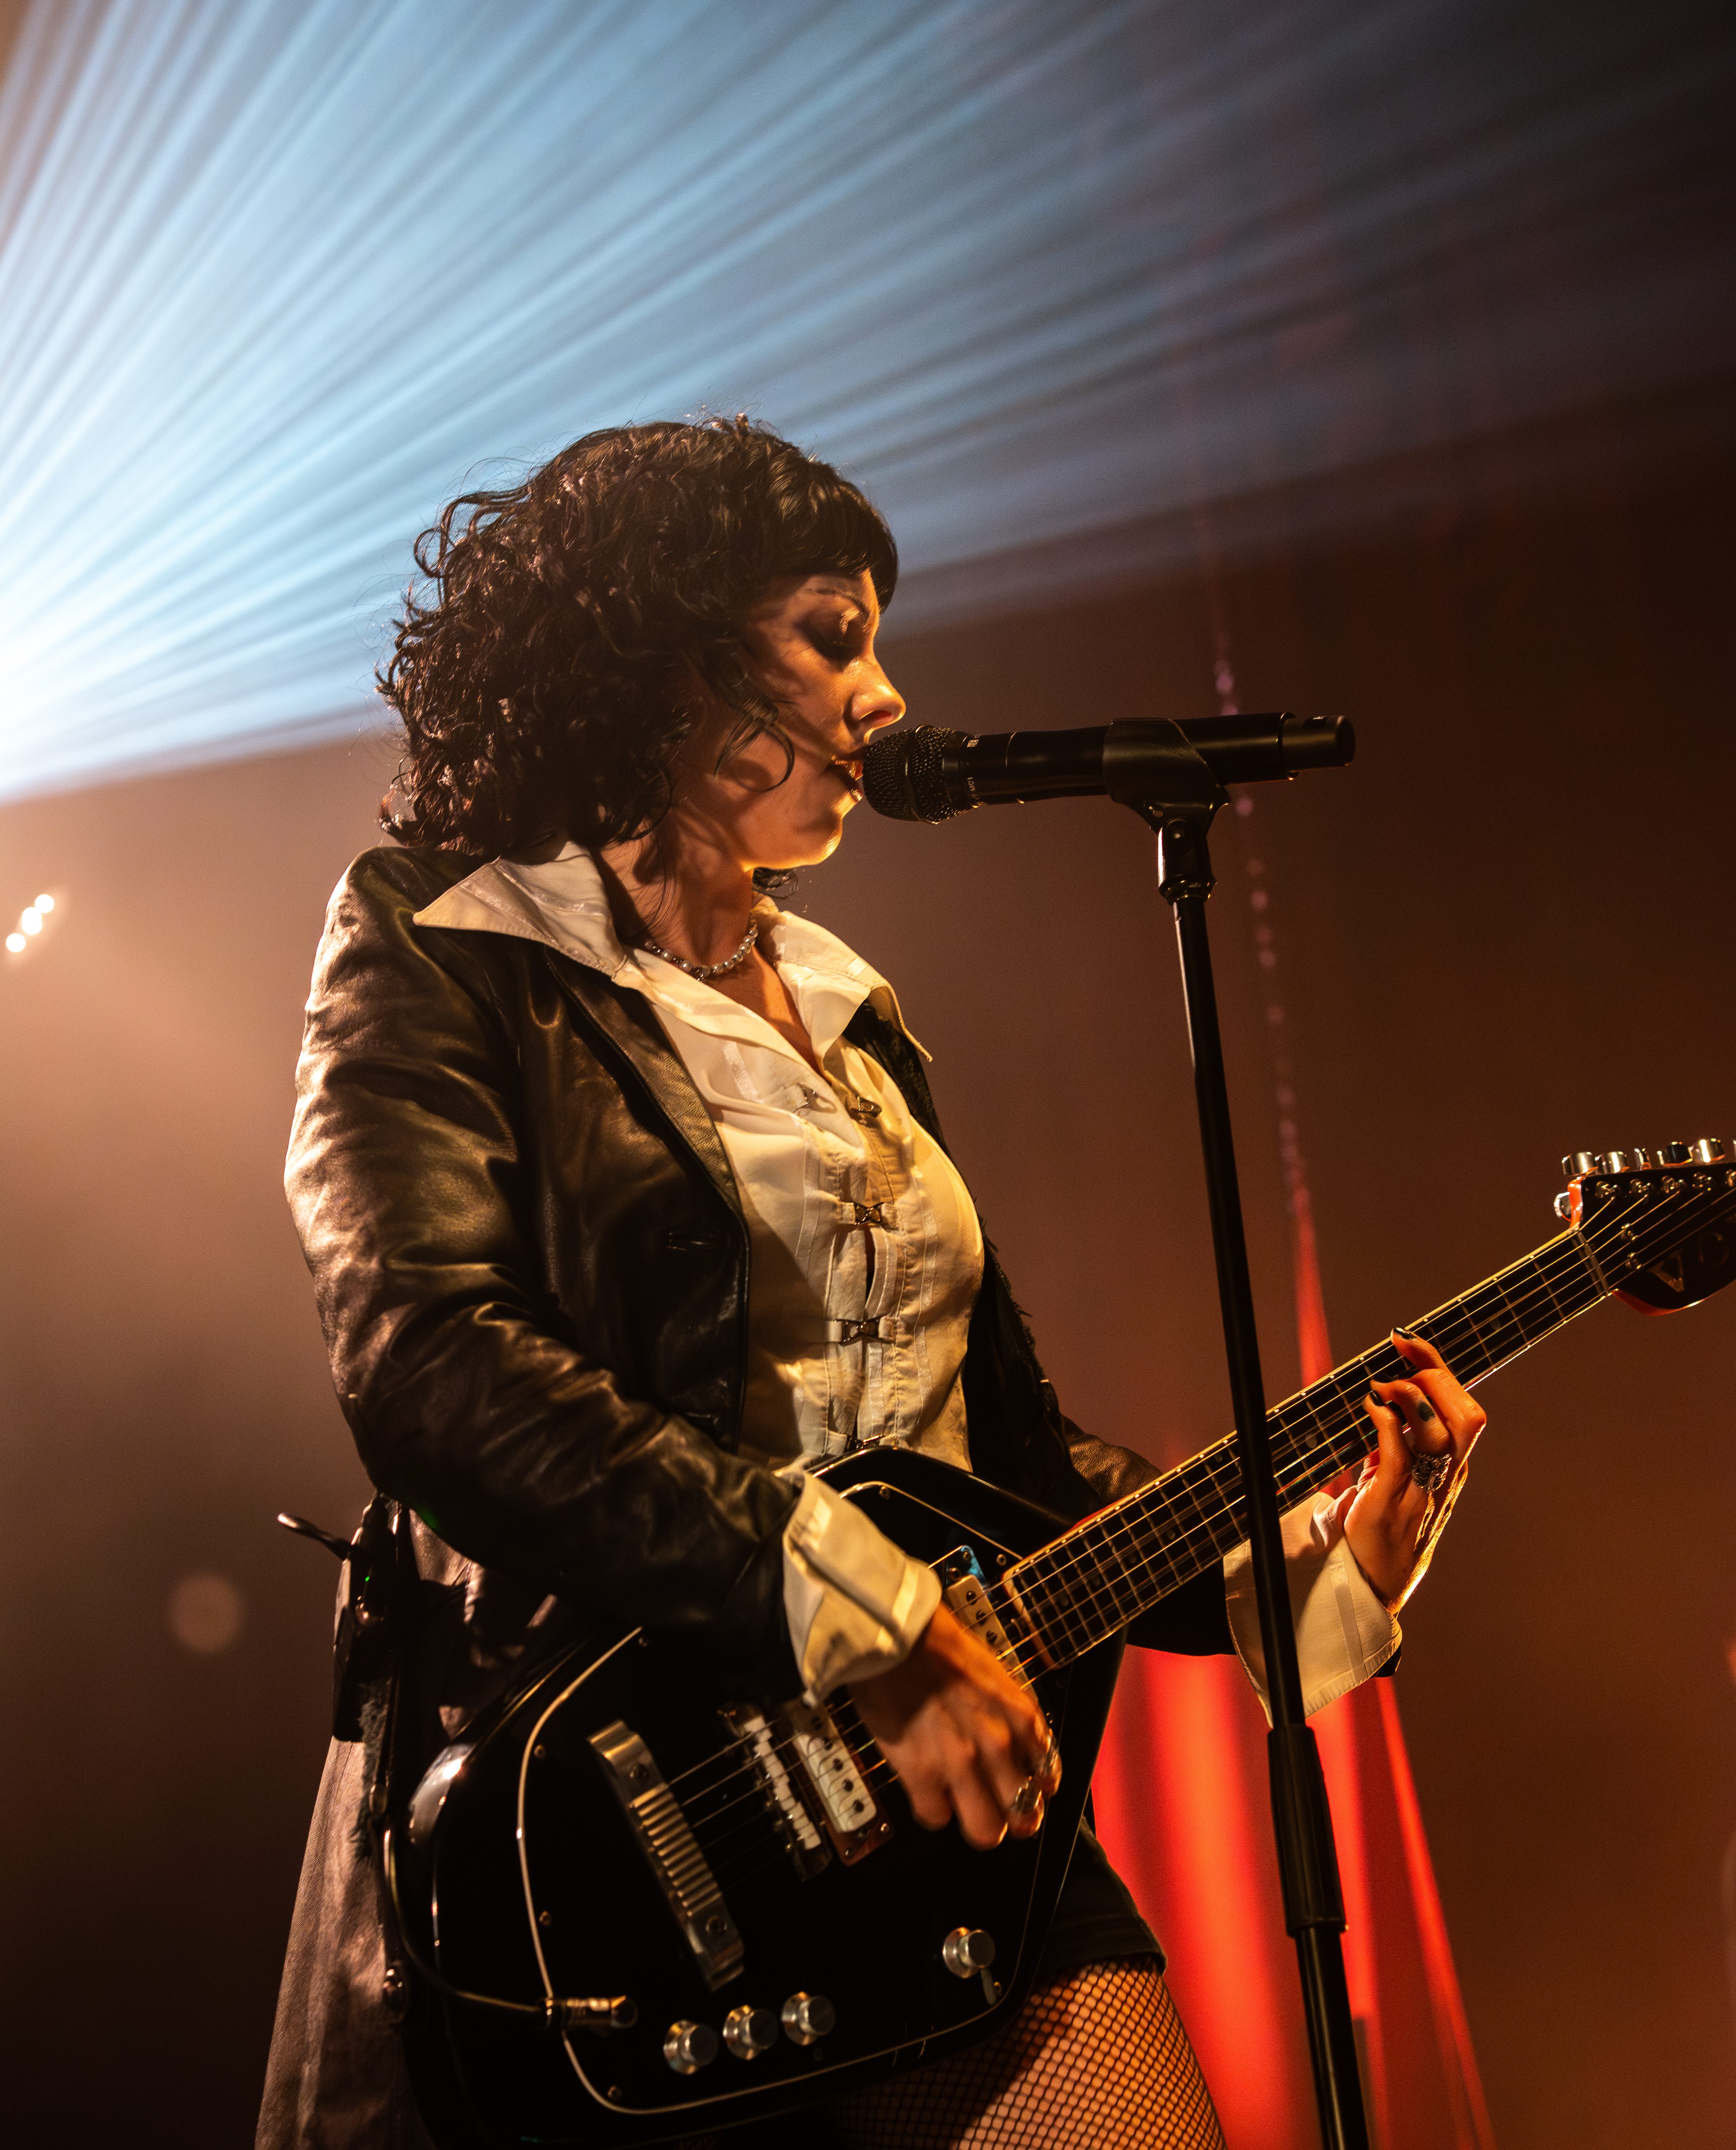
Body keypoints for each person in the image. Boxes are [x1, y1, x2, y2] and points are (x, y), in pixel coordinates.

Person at [257, 416, 1484, 2150]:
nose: (887, 694)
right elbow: (428, 1362)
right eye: (833, 636)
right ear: (670, 663)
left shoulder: (848, 1009)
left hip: (931, 1809)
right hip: (604, 1808)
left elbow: (998, 1471)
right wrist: (866, 1615)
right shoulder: (448, 937)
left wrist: (1306, 1564)